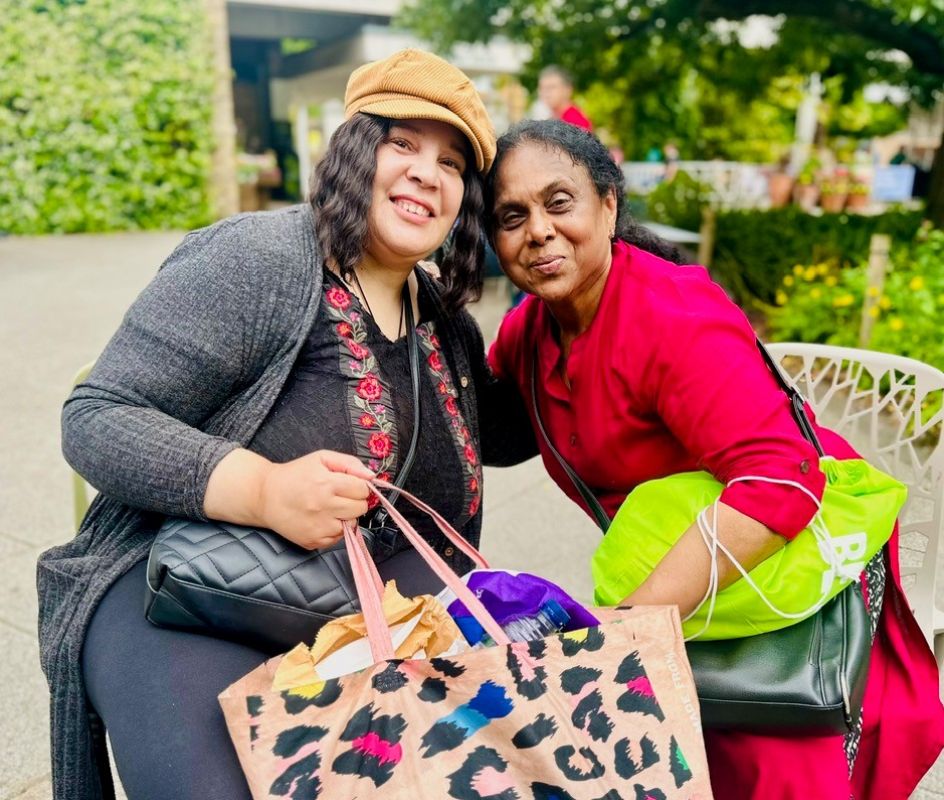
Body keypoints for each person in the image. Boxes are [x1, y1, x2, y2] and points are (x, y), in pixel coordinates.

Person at [39, 49, 535, 800]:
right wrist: (262, 490)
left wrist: (587, 296)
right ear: (353, 149)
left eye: (451, 162)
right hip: (185, 594)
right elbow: (97, 417)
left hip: (370, 621)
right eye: (402, 143)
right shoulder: (259, 260)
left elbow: (509, 431)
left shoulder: (444, 324)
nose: (426, 173)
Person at [484, 119, 944, 799]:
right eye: (511, 216)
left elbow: (780, 484)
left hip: (775, 573)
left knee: (761, 767)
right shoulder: (533, 329)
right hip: (686, 586)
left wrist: (629, 627)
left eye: (559, 203)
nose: (539, 231)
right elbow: (493, 435)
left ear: (608, 204)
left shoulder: (672, 316)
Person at [537, 65, 592, 132]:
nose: (546, 92)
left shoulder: (576, 121)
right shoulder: (553, 118)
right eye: (542, 88)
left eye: (552, 87)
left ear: (568, 90)